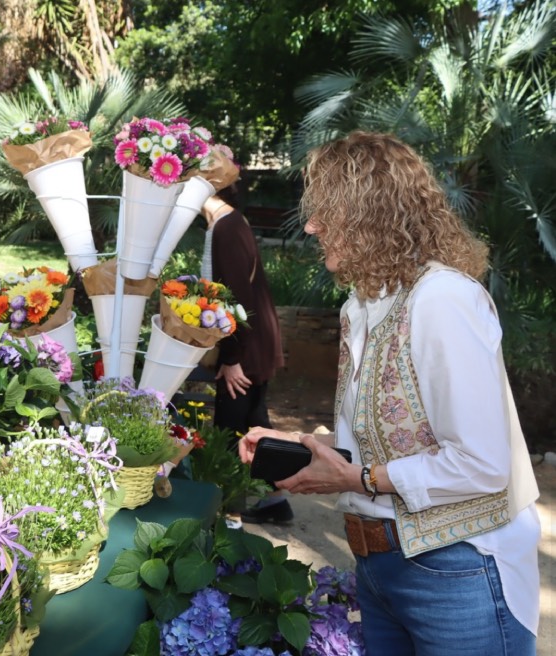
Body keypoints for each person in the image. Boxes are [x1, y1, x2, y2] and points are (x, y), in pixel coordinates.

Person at [238, 131, 540, 655]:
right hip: (382, 568)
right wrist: (304, 444)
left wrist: (355, 478)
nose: (311, 226)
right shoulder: (364, 305)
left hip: (458, 569)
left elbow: (481, 462)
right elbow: (387, 435)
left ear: (370, 213)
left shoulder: (442, 299)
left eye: (326, 211)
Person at [201, 188, 287, 523]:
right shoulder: (229, 222)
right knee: (256, 420)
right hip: (253, 341)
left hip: (245, 347)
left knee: (229, 430)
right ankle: (276, 499)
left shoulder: (226, 226)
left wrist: (232, 357)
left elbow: (236, 294)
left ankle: (231, 516)